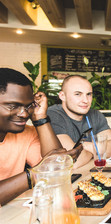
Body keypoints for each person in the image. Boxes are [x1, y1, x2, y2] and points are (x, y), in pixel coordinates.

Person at [0, 68, 82, 206]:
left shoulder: (27, 133)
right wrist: (34, 174)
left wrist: (40, 118)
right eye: (13, 106)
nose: (24, 114)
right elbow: (44, 170)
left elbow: (56, 171)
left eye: (28, 106)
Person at [47, 75, 111, 169]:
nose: (85, 100)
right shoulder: (53, 115)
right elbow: (72, 161)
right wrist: (97, 151)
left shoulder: (95, 115)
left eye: (89, 94)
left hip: (87, 175)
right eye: (78, 94)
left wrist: (83, 147)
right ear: (62, 96)